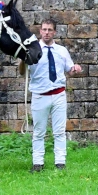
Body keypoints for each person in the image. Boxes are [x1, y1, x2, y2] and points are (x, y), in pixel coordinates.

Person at [29, 18, 82, 172]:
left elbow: (69, 70)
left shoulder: (61, 51)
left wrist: (75, 69)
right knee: (39, 131)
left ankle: (60, 163)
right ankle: (37, 163)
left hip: (59, 94)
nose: (46, 32)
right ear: (40, 31)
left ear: (54, 32)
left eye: (49, 30)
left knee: (59, 131)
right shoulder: (33, 50)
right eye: (44, 29)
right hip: (40, 95)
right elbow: (23, 71)